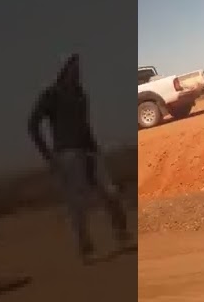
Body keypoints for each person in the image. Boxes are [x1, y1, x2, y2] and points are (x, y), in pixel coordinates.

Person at [28, 53, 133, 263]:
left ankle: (122, 235)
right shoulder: (52, 94)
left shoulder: (80, 94)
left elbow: (85, 125)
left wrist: (94, 147)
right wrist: (48, 155)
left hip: (90, 150)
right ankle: (86, 250)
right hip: (68, 154)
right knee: (79, 203)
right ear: (64, 70)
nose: (77, 72)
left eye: (79, 68)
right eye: (73, 68)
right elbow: (33, 125)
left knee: (110, 192)